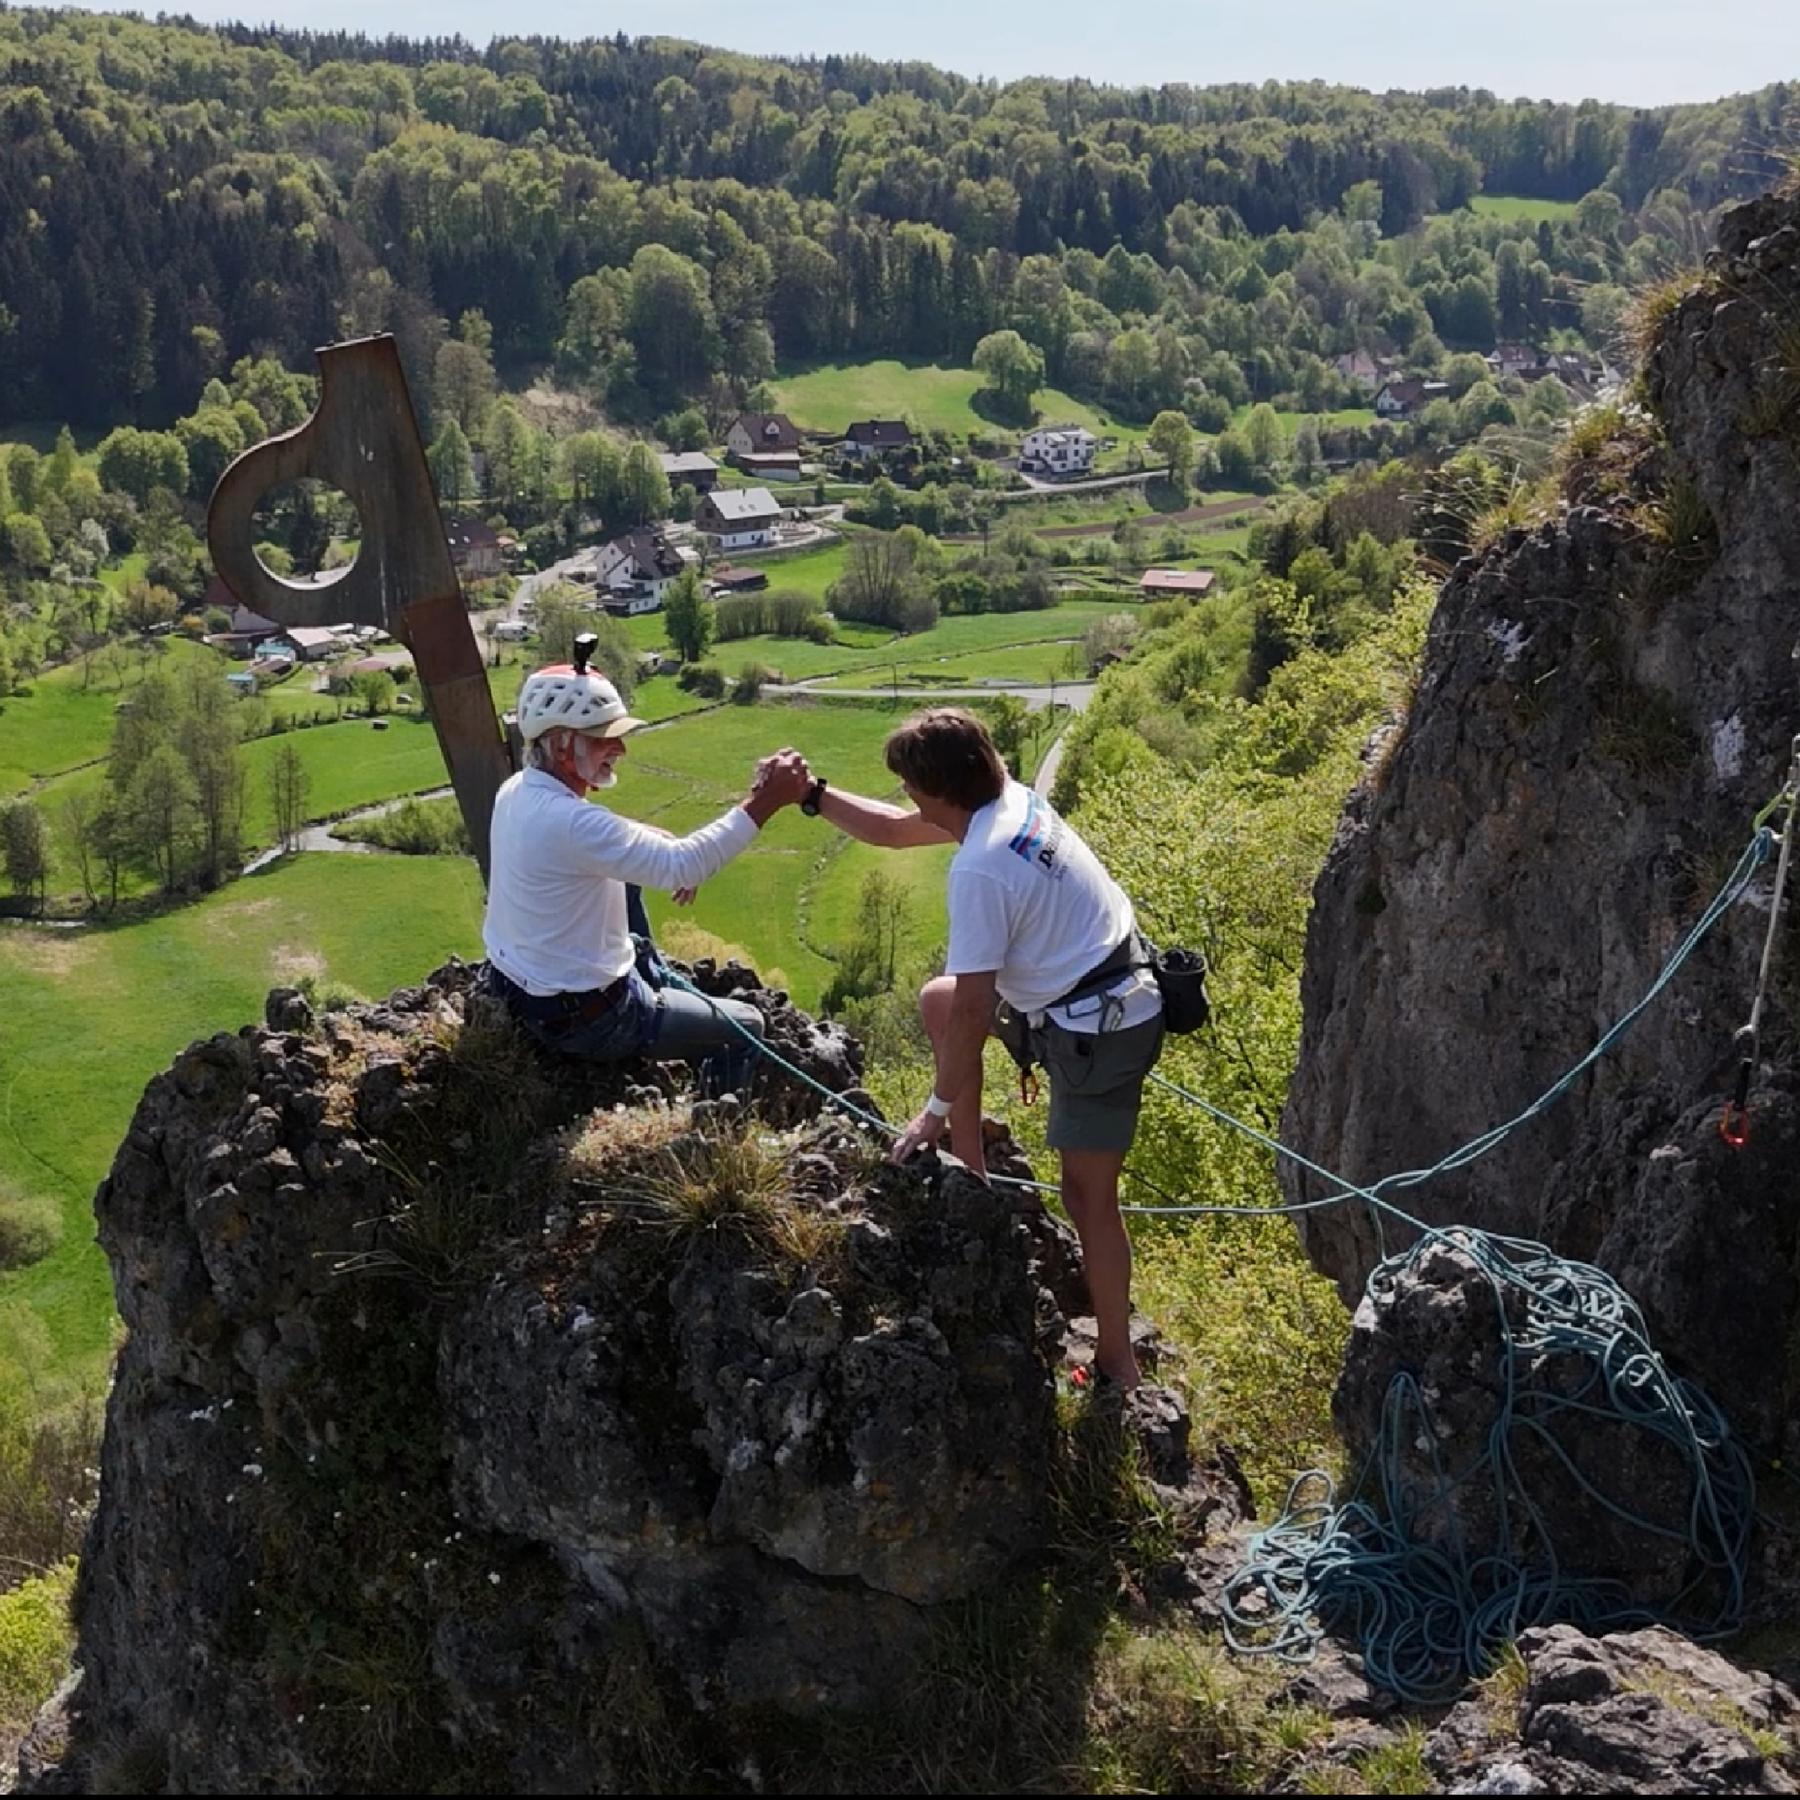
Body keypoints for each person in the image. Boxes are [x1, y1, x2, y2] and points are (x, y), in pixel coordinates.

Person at [801, 707, 1164, 1389]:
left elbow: (974, 1010)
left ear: (939, 789)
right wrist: (813, 796)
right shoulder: (1008, 801)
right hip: (1086, 995)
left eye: (910, 784)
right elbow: (885, 830)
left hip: (1100, 1027)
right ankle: (974, 1177)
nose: (905, 796)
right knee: (936, 999)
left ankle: (1118, 1360)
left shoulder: (982, 866)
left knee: (1088, 1197)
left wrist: (932, 1110)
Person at [482, 652, 811, 1084]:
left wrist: (662, 844)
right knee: (747, 1028)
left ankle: (652, 982)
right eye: (604, 737)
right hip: (585, 1019)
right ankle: (713, 1133)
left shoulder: (517, 790)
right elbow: (683, 867)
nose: (619, 749)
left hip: (514, 990)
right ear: (562, 743)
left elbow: (607, 841)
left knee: (629, 881)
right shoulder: (573, 823)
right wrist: (769, 798)